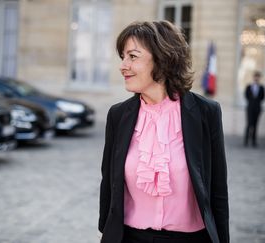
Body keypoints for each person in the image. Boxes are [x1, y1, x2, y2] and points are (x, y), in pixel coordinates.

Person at [98, 21, 229, 243]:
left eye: (133, 56)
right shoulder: (118, 115)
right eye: (123, 57)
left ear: (162, 58)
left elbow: (217, 192)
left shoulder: (206, 113)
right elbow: (108, 185)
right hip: (130, 238)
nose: (123, 65)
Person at [244, 71, 265, 147]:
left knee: (255, 125)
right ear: (253, 77)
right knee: (249, 124)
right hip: (250, 108)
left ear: (259, 78)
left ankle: (254, 141)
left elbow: (263, 97)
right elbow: (246, 96)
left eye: (258, 76)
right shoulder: (249, 87)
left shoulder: (262, 88)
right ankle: (246, 140)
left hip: (257, 108)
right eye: (255, 76)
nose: (256, 78)